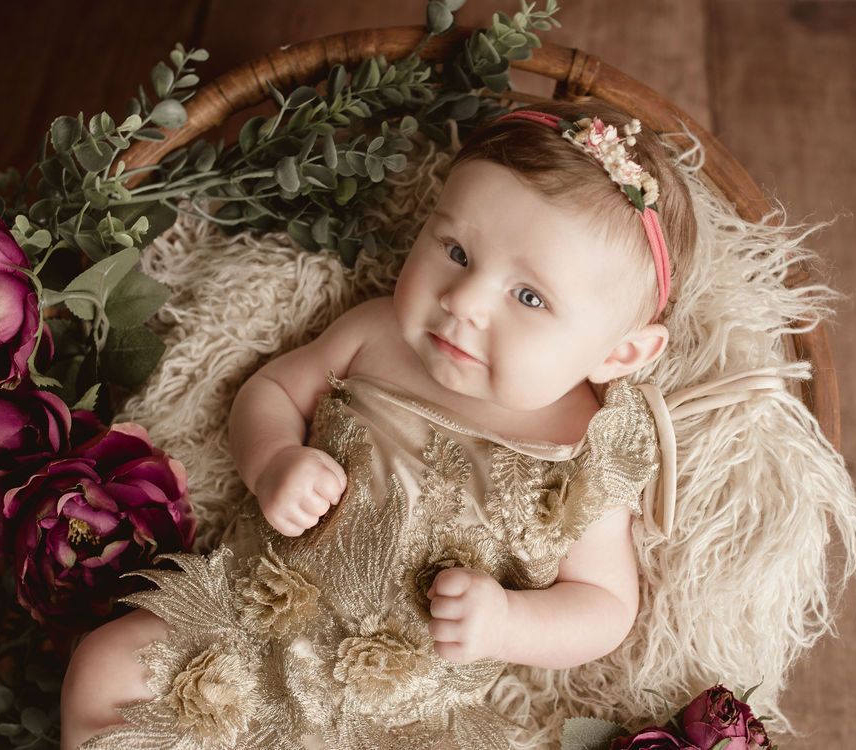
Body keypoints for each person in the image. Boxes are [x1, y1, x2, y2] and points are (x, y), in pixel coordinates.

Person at [59, 98, 698, 750]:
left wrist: (510, 623)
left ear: (618, 354)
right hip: (249, 627)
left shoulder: (582, 447)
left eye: (529, 297)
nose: (464, 301)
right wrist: (274, 457)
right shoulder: (379, 333)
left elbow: (606, 606)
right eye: (455, 250)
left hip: (405, 712)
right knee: (106, 666)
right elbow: (272, 388)